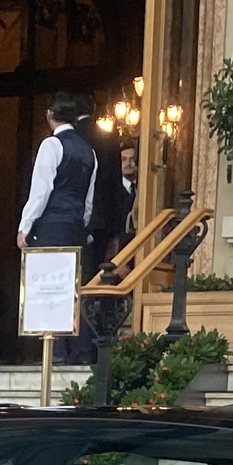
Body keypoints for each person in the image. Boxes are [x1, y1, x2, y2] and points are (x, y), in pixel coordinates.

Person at [18, 92, 100, 363]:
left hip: (51, 225)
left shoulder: (51, 146)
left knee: (50, 288)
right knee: (73, 289)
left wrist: (25, 225)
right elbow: (89, 200)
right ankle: (80, 353)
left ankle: (55, 353)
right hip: (76, 226)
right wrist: (81, 224)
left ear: (50, 115)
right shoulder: (90, 152)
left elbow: (40, 191)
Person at [80, 137, 140, 361]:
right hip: (115, 254)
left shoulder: (144, 191)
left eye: (132, 159)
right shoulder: (112, 191)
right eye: (124, 159)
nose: (128, 164)